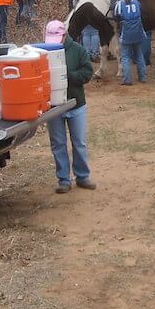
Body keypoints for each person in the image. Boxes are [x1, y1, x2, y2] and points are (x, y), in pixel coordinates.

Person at [43, 20, 96, 193]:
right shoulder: (43, 52)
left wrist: (67, 76)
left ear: (64, 35)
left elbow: (87, 72)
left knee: (79, 143)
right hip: (53, 107)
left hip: (76, 104)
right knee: (58, 144)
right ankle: (64, 179)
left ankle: (82, 176)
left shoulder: (78, 50)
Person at [113, 0, 147, 86]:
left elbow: (116, 17)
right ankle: (143, 77)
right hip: (138, 31)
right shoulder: (136, 2)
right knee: (139, 54)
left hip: (126, 33)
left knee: (125, 56)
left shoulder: (119, 4)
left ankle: (127, 80)